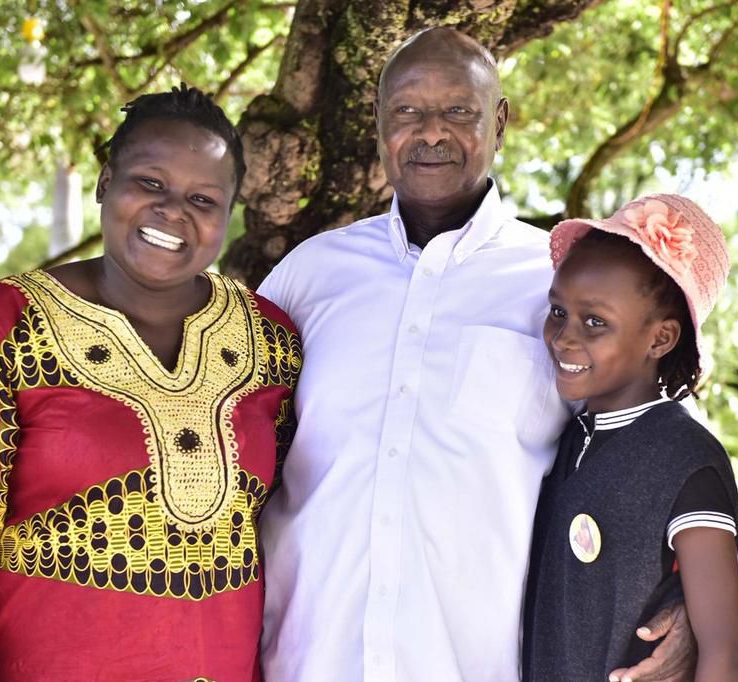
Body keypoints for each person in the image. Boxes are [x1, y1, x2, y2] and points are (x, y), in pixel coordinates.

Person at [258, 27, 695, 681]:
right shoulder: (308, 277)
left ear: (500, 121)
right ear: (380, 125)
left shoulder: (561, 283)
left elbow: (666, 453)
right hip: (306, 659)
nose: (432, 132)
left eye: (459, 111)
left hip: (476, 666)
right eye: (407, 110)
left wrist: (692, 593)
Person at [0, 85, 301, 682]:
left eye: (203, 197)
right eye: (150, 182)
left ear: (230, 215)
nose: (173, 210)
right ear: (103, 182)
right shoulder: (2, 325)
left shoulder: (271, 343)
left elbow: (295, 528)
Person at [521, 194, 738, 681]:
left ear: (661, 339)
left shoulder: (686, 458)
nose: (563, 337)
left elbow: (726, 652)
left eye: (596, 322)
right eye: (558, 311)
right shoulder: (569, 440)